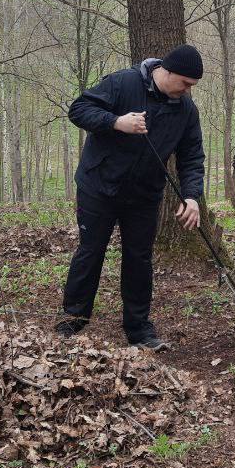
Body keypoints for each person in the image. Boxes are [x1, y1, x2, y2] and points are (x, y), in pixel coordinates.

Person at [57, 44, 206, 351]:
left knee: (139, 259)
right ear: (166, 70)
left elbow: (192, 158)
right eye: (185, 83)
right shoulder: (123, 83)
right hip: (99, 185)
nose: (187, 90)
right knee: (91, 251)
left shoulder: (186, 111)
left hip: (143, 195)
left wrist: (191, 197)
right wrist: (116, 122)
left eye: (192, 86)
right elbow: (79, 109)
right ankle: (73, 319)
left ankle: (139, 329)